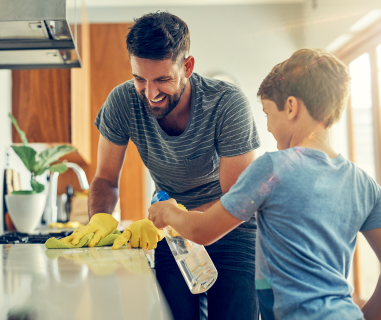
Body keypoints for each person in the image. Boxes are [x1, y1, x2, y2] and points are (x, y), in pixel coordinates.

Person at [148, 48, 381, 320]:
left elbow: (202, 231)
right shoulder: (364, 183)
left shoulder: (273, 169)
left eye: (268, 113)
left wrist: (168, 211)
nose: (268, 127)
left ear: (291, 107)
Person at [60, 11, 260, 320]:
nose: (150, 94)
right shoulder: (123, 102)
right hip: (172, 235)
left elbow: (237, 201)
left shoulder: (227, 104)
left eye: (163, 79)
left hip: (228, 231)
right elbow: (105, 179)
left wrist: (178, 216)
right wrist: (100, 219)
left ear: (187, 67)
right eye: (140, 78)